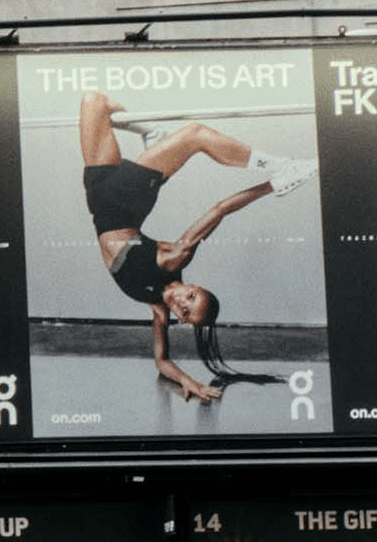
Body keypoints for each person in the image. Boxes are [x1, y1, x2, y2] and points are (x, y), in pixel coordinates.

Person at [77, 91, 315, 403]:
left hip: (99, 193)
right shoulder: (174, 260)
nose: (180, 303)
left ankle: (153, 139)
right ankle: (282, 167)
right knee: (195, 135)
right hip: (123, 198)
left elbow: (162, 362)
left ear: (183, 320)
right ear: (195, 286)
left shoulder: (159, 308)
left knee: (97, 103)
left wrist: (190, 382)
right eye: (191, 296)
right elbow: (220, 209)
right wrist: (271, 185)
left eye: (185, 312)